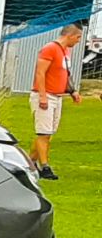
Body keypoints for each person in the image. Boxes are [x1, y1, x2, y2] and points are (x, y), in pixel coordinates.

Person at [31, 24, 85, 180]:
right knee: (43, 133)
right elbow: (40, 73)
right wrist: (42, 96)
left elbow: (66, 73)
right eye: (78, 37)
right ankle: (45, 167)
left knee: (48, 133)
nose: (79, 41)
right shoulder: (49, 49)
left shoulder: (66, 51)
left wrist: (72, 90)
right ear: (70, 35)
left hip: (58, 96)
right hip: (46, 95)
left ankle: (30, 163)